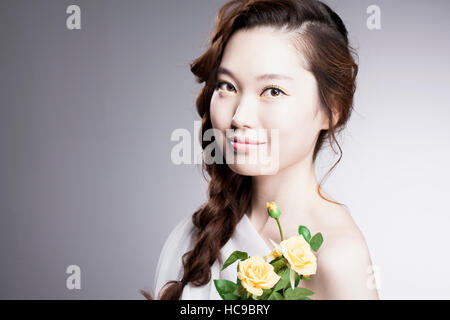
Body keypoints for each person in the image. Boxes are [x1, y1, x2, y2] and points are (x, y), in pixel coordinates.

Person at [143, 0, 379, 300]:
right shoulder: (192, 235)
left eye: (272, 91)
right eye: (227, 86)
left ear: (331, 110)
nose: (239, 117)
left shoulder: (340, 258)